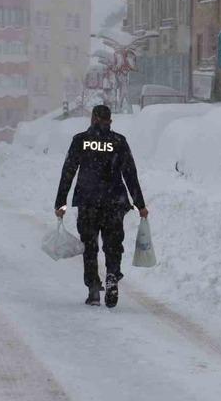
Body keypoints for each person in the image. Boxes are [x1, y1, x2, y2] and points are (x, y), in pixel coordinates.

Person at [55, 105, 148, 308]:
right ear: (109, 121)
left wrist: (61, 202)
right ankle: (112, 275)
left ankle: (94, 289)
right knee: (113, 246)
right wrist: (139, 204)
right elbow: (130, 174)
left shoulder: (81, 141)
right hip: (114, 203)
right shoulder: (118, 142)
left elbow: (68, 171)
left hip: (88, 203)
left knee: (90, 247)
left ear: (93, 119)